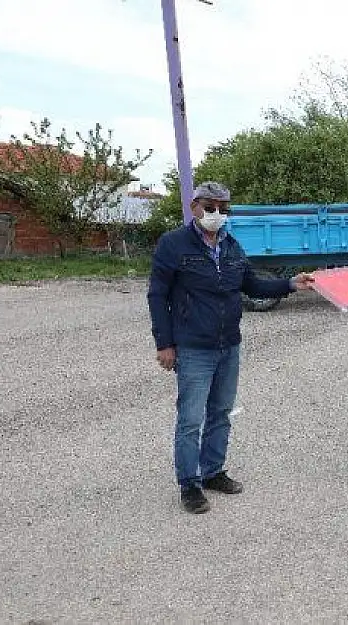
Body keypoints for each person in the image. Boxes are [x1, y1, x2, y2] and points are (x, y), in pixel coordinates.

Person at [147, 182, 315, 514]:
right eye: (211, 207)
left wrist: (291, 284)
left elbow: (252, 285)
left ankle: (212, 472)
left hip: (229, 345)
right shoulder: (173, 244)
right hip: (193, 347)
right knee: (191, 418)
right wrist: (164, 343)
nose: (217, 214)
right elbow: (157, 295)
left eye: (224, 209)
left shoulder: (233, 246)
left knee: (221, 413)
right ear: (195, 206)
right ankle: (189, 485)